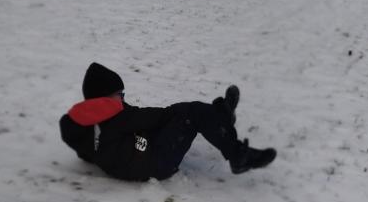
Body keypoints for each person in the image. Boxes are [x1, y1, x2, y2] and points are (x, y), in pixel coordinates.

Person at [60, 62, 276, 181]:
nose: (123, 98)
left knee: (189, 114)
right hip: (155, 163)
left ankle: (220, 119)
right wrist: (182, 113)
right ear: (104, 97)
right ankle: (237, 154)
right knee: (191, 113)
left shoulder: (79, 125)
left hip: (140, 152)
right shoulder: (118, 116)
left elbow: (89, 150)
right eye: (120, 94)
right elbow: (157, 117)